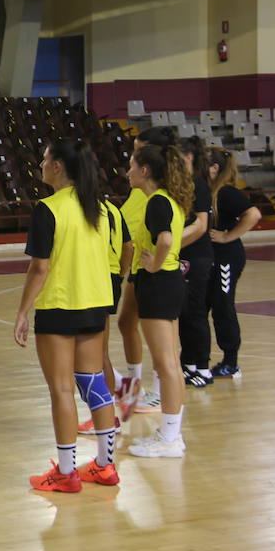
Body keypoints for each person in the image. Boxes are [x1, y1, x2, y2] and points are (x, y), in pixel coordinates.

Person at [13, 140, 120, 492]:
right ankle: (105, 465)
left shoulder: (49, 208)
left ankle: (66, 471)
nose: (40, 164)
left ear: (58, 166)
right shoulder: (101, 209)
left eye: (44, 159)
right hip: (96, 305)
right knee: (93, 383)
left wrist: (22, 311)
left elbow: (39, 268)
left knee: (61, 390)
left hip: (60, 306)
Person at [126, 142, 194, 459]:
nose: (127, 172)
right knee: (171, 364)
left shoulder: (157, 202)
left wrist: (153, 264)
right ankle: (170, 434)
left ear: (145, 170)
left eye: (131, 166)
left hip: (158, 283)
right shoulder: (171, 200)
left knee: (165, 364)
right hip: (169, 283)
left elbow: (165, 239)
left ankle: (169, 438)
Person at [115, 125, 176, 415]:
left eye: (137, 154)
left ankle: (157, 396)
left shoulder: (160, 197)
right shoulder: (141, 192)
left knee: (164, 353)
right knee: (126, 323)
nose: (130, 164)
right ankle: (134, 388)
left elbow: (169, 235)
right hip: (140, 268)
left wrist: (159, 261)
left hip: (158, 275)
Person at [77, 195, 134, 437]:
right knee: (99, 352)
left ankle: (107, 416)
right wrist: (120, 273)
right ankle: (107, 413)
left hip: (94, 279)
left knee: (97, 353)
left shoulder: (84, 207)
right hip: (110, 278)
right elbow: (128, 247)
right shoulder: (112, 208)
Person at [206, 147, 261, 378]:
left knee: (223, 305)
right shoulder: (203, 192)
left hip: (227, 259)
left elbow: (254, 214)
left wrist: (228, 235)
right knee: (200, 307)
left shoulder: (226, 193)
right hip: (209, 259)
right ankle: (198, 360)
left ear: (214, 168)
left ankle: (231, 362)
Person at [177, 137, 214, 387]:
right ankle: (188, 364)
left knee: (197, 313)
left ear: (189, 157)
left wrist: (170, 247)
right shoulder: (180, 184)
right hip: (183, 257)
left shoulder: (198, 185)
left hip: (197, 257)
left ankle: (203, 367)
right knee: (184, 313)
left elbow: (201, 226)